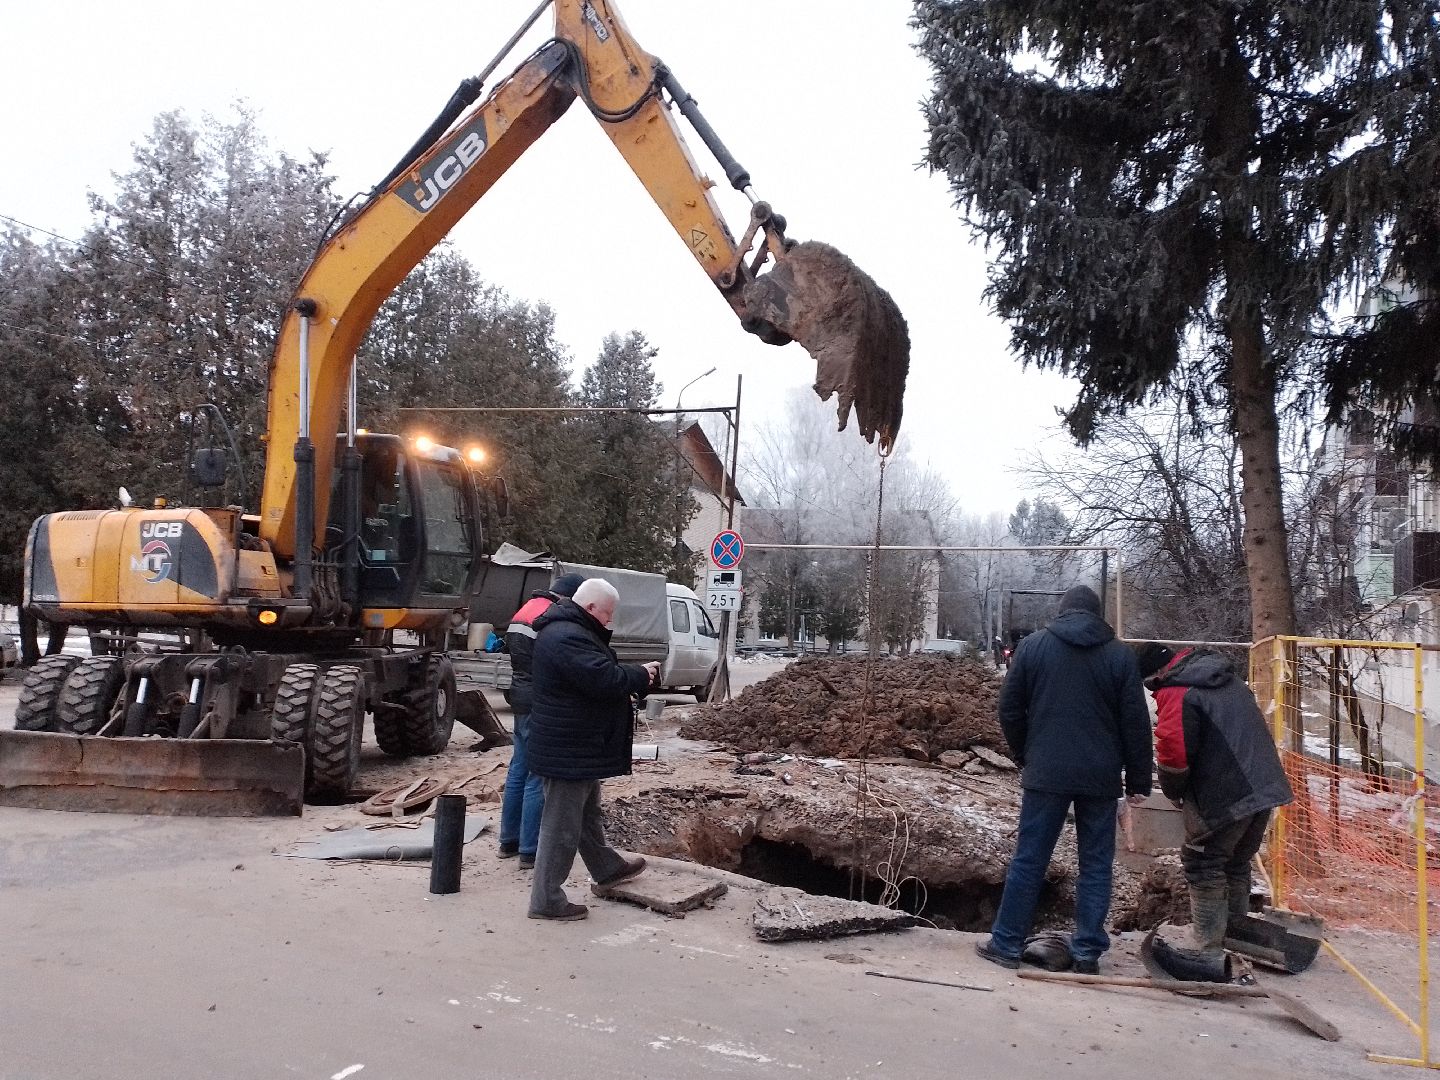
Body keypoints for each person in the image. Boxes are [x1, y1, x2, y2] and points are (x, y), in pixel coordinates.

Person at [975, 585, 1152, 975]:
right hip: (1100, 776)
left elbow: (1009, 708)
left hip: (1047, 772)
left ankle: (1006, 943)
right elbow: (1136, 723)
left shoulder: (1033, 648)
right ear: (1097, 615)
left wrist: (1026, 753)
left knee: (1030, 858)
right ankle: (1087, 953)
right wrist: (1138, 780)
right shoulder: (1120, 656)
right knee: (1096, 864)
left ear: (1062, 611)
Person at [1135, 643, 1294, 981]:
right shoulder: (1225, 678)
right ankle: (1234, 936)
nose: (1153, 692)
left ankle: (1207, 949)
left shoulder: (1177, 690)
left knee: (1202, 862)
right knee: (1235, 861)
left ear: (1157, 674)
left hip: (1228, 792)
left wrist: (1174, 791)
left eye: (1150, 685)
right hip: (1264, 784)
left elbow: (1173, 753)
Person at [526, 578, 659, 921]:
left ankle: (606, 867)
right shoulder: (566, 636)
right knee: (561, 827)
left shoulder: (572, 630)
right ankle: (546, 900)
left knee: (586, 815)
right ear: (589, 607)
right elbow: (603, 679)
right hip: (567, 748)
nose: (609, 622)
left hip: (576, 745)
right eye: (607, 614)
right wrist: (639, 675)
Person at [497, 572, 587, 868]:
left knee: (518, 769)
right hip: (539, 700)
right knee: (537, 774)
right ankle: (530, 849)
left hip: (520, 697)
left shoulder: (526, 610)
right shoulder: (550, 616)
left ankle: (508, 840)